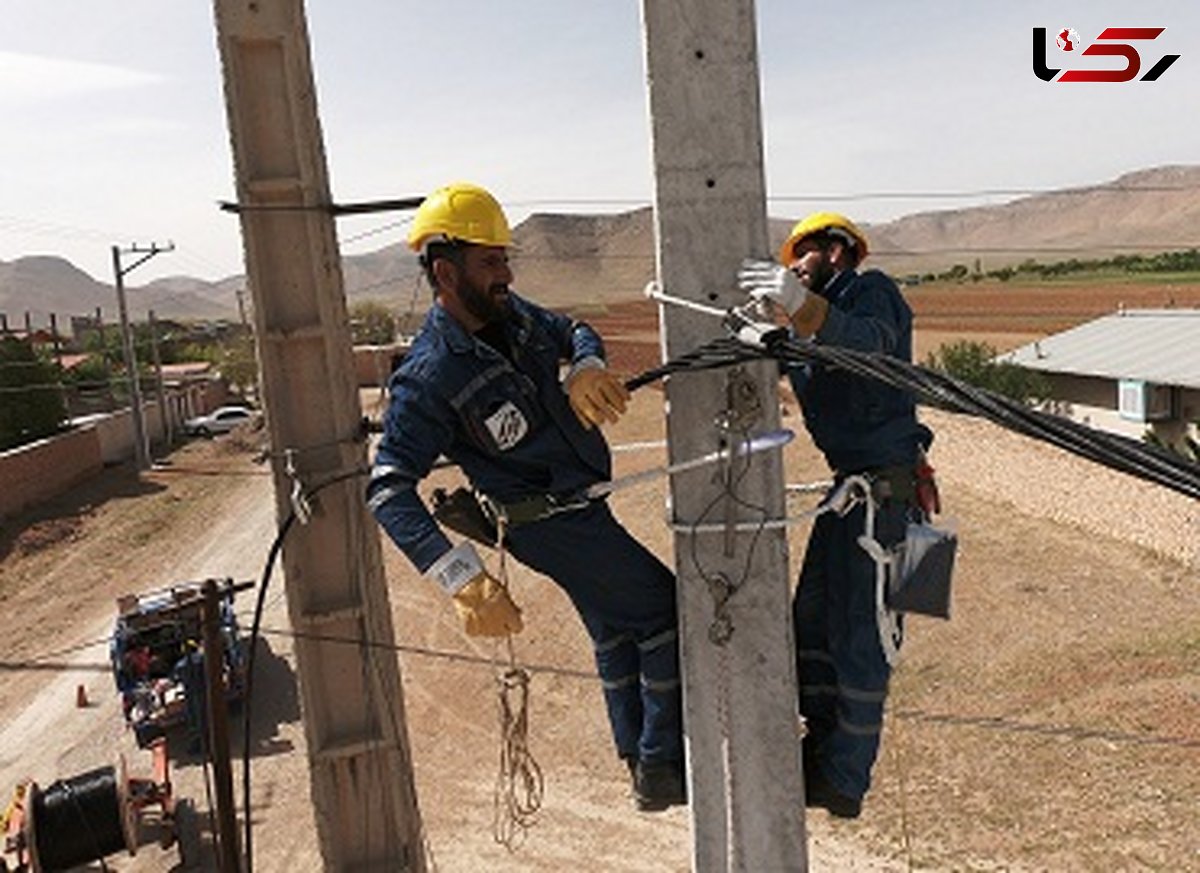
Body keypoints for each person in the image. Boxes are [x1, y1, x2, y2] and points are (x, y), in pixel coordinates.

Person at [367, 182, 686, 811]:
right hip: (549, 523)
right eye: (491, 262)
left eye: (506, 259)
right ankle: (663, 762)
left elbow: (575, 329)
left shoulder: (514, 319)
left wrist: (586, 364)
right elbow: (387, 489)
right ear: (444, 271)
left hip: (584, 506)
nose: (505, 274)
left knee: (618, 626)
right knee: (663, 612)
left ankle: (642, 765)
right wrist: (463, 579)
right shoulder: (430, 376)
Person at [737, 212, 936, 819]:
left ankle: (847, 779)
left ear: (837, 251)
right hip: (851, 494)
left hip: (888, 500)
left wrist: (802, 307)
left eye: (803, 257)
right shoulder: (808, 326)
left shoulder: (868, 291)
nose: (795, 268)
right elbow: (794, 357)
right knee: (813, 623)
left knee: (864, 636)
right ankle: (820, 754)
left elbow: (870, 341)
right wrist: (755, 338)